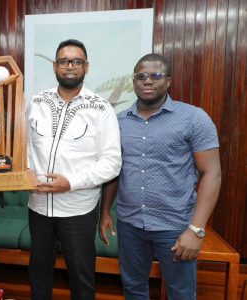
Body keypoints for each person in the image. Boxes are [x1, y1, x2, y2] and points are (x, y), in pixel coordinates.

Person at [99, 53, 221, 300]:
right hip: (130, 223)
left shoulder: (194, 118)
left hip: (175, 225)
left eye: (155, 76)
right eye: (141, 76)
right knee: (133, 288)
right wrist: (105, 212)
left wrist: (196, 230)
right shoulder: (118, 121)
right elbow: (115, 171)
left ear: (168, 81)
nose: (147, 81)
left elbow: (212, 174)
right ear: (133, 81)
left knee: (181, 293)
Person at [26, 39, 122, 300]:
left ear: (86, 67)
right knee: (39, 272)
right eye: (64, 61)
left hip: (78, 209)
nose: (70, 66)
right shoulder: (37, 102)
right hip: (38, 206)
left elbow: (112, 163)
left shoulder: (101, 108)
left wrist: (71, 182)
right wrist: (24, 174)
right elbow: (23, 146)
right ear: (55, 66)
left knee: (81, 276)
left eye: (77, 61)